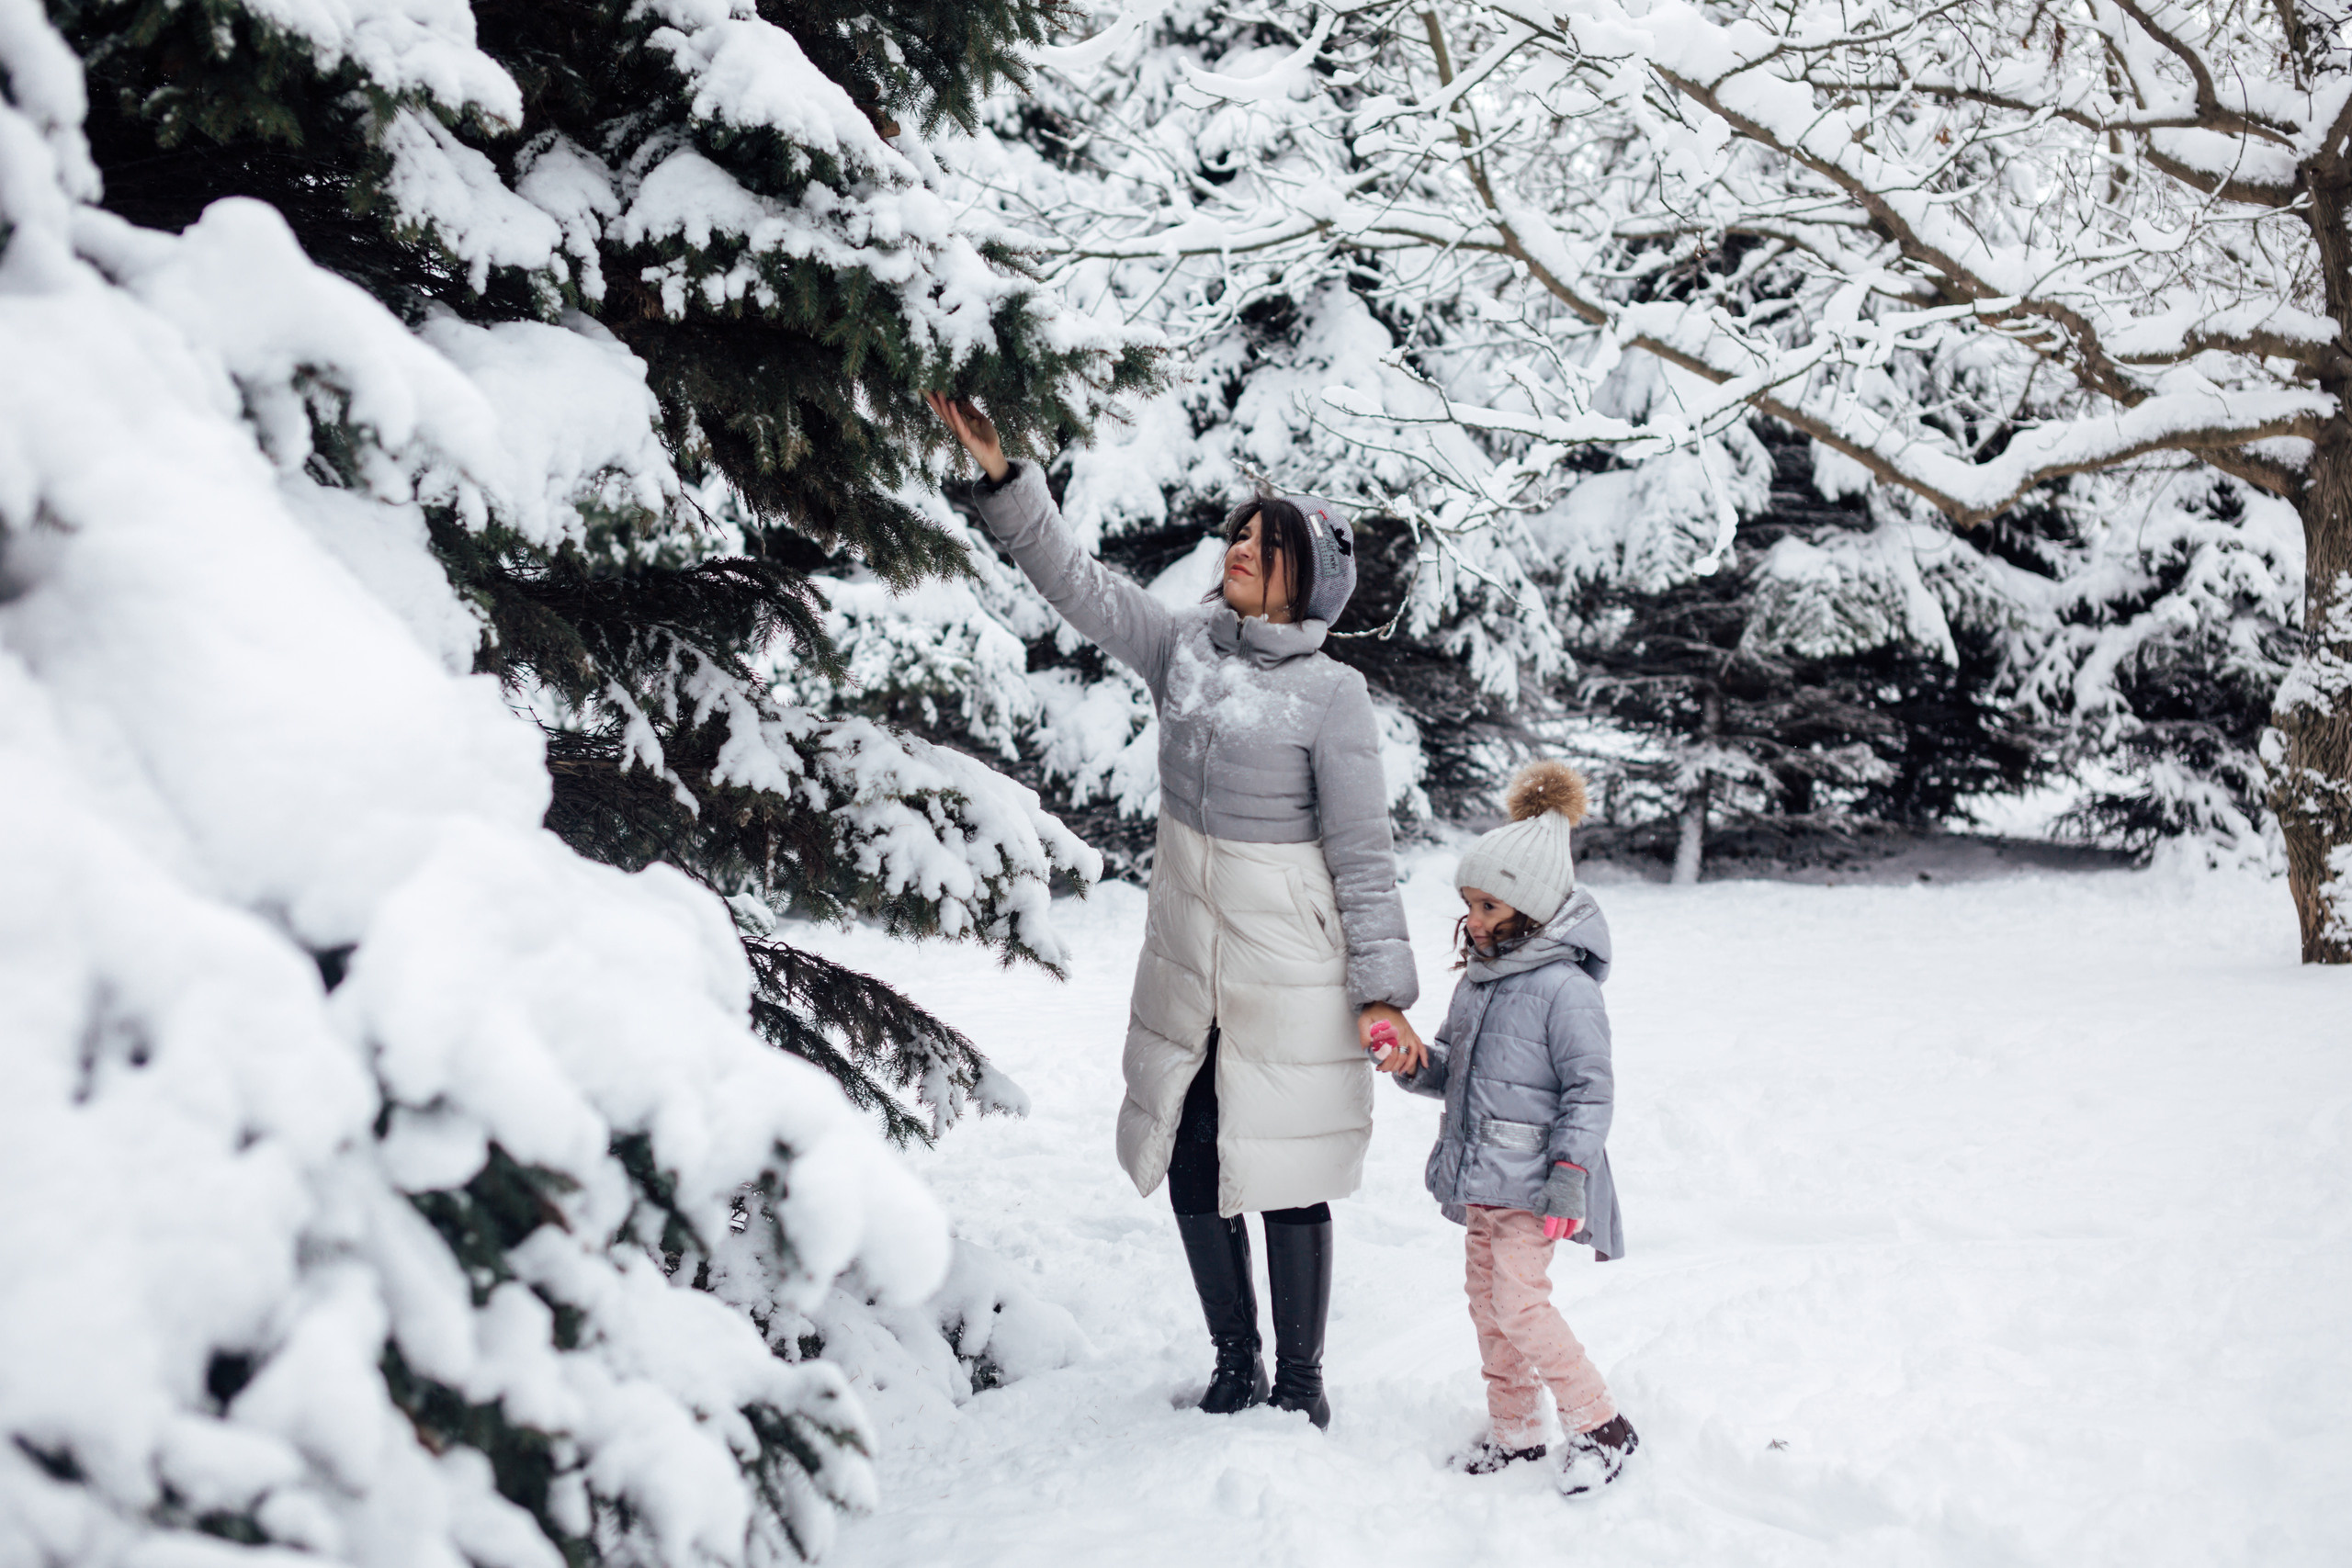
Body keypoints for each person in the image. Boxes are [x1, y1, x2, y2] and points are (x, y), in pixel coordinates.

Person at [926, 393, 1425, 1429]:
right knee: (1191, 1148)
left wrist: (1381, 992)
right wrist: (1007, 479)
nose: (1240, 546)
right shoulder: (1187, 647)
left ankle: (1299, 1381)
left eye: (1266, 541)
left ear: (1309, 578)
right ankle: (1235, 1363)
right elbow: (1079, 586)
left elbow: (1363, 855)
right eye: (1239, 531)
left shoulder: (1331, 696)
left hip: (1288, 965)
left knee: (1283, 1167)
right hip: (1188, 956)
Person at [1392, 758, 1640, 1495]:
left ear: (1530, 906)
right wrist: (1412, 1062)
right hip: (1482, 1183)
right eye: (1469, 903)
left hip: (1536, 1185)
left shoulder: (1565, 989)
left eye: (1490, 906)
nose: (1474, 919)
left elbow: (1591, 1091)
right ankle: (1519, 1433)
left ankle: (1602, 1425)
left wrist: (1570, 1177)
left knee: (1521, 1306)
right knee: (1488, 1308)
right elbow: (1453, 1070)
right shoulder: (1478, 983)